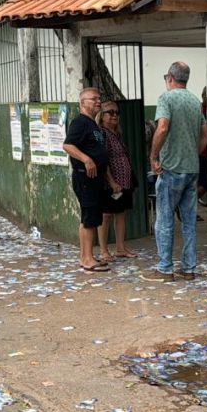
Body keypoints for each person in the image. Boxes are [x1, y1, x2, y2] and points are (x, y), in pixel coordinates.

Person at [143, 62, 207, 282]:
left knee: (164, 220)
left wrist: (153, 157)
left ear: (170, 77)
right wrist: (193, 153)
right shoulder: (194, 102)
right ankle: (189, 268)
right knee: (189, 221)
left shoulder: (166, 98)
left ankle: (165, 268)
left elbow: (162, 127)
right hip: (192, 170)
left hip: (171, 169)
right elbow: (206, 135)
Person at [61, 87, 110, 273]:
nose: (98, 101)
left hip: (95, 179)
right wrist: (86, 159)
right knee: (89, 219)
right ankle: (87, 259)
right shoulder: (80, 123)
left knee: (89, 218)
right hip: (85, 178)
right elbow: (67, 145)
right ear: (82, 102)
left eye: (99, 98)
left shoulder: (92, 124)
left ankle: (86, 256)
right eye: (93, 99)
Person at [94, 100, 137, 261]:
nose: (114, 115)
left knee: (120, 214)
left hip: (124, 181)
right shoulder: (103, 134)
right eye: (110, 112)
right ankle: (104, 250)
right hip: (110, 183)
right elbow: (103, 160)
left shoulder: (116, 134)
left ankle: (120, 248)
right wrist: (111, 182)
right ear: (102, 115)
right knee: (105, 215)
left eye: (116, 112)